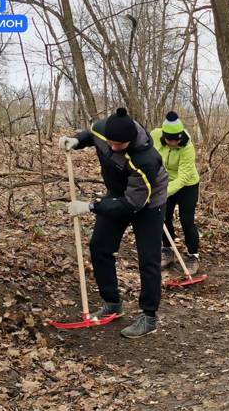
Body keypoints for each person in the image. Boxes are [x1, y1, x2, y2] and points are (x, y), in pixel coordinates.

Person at [59, 107, 168, 338]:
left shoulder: (146, 159)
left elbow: (131, 204)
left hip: (147, 202)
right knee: (99, 246)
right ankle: (112, 303)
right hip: (117, 193)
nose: (112, 147)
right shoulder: (102, 131)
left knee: (148, 258)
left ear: (129, 140)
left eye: (119, 145)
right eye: (110, 142)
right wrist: (76, 140)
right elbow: (91, 136)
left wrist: (89, 206)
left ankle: (149, 316)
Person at [151, 111, 201, 275]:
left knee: (187, 220)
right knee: (163, 217)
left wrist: (162, 192)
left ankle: (193, 255)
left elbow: (183, 176)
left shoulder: (187, 147)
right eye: (170, 139)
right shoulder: (155, 135)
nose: (174, 143)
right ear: (164, 135)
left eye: (177, 139)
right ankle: (167, 250)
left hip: (187, 184)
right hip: (165, 181)